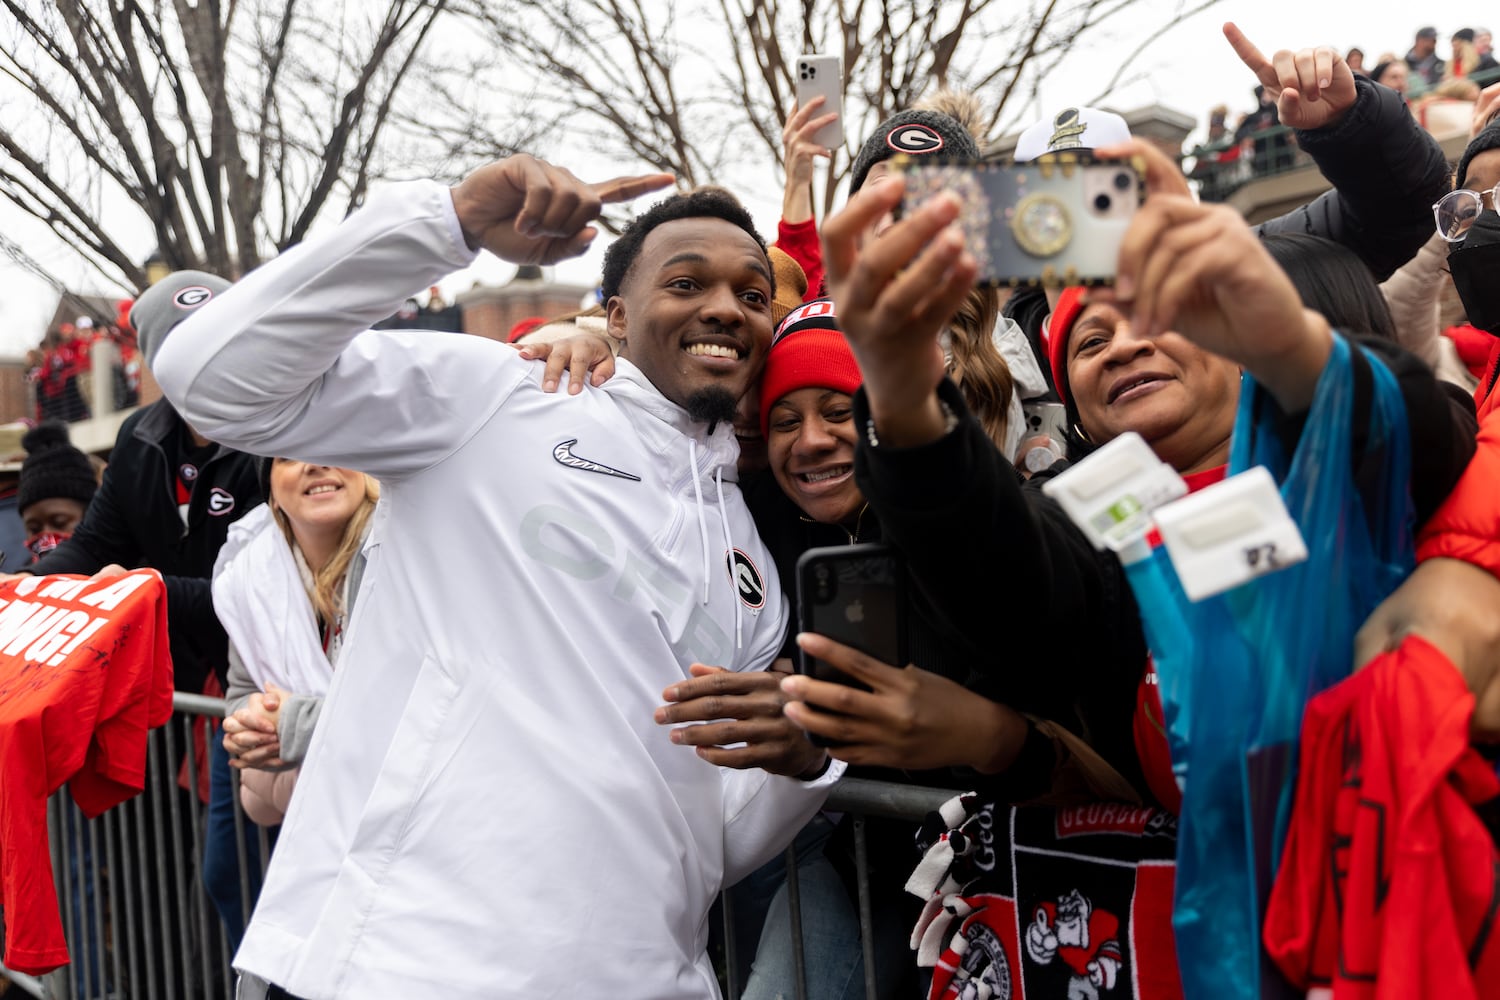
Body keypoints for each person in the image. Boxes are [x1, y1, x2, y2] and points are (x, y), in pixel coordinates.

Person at [152, 159, 844, 999]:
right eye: (688, 281)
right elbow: (209, 379)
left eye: (751, 293)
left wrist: (803, 767)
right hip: (407, 966)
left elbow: (716, 836)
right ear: (617, 316)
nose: (725, 308)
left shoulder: (752, 573)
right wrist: (447, 224)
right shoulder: (500, 397)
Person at [215, 460, 380, 828]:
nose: (316, 462)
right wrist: (257, 731)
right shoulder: (251, 577)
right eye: (289, 455)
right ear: (271, 491)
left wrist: (292, 726)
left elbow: (410, 712)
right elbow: (241, 698)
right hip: (328, 838)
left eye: (333, 442)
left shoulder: (403, 551)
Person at [16, 421, 98, 563]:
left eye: (60, 523)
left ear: (91, 515)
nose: (46, 536)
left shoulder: (129, 575)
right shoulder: (24, 581)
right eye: (34, 530)